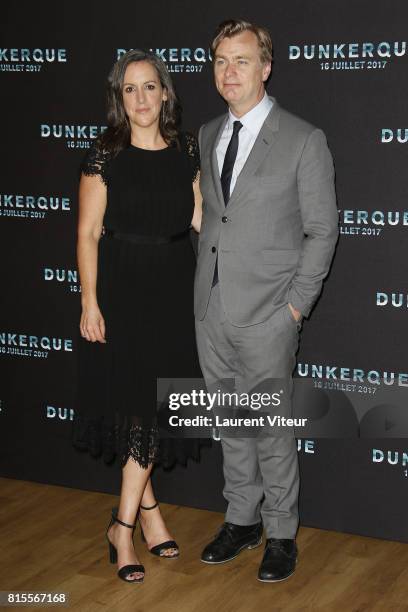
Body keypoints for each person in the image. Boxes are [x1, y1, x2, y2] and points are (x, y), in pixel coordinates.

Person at [195, 19, 338, 582]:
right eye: (221, 62)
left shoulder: (303, 139)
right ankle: (241, 519)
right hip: (212, 309)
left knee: (272, 428)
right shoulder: (207, 134)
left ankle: (280, 531)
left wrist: (295, 307)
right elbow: (215, 216)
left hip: (271, 313)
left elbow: (323, 230)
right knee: (231, 424)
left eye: (242, 61)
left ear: (266, 66)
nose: (230, 73)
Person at [72, 49, 204, 583]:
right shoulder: (105, 154)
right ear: (118, 98)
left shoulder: (188, 150)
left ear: (166, 92)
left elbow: (200, 218)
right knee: (136, 410)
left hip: (174, 291)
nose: (141, 98)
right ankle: (125, 527)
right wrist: (89, 300)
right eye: (130, 89)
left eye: (150, 87)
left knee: (149, 410)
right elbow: (86, 233)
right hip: (123, 290)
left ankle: (145, 516)